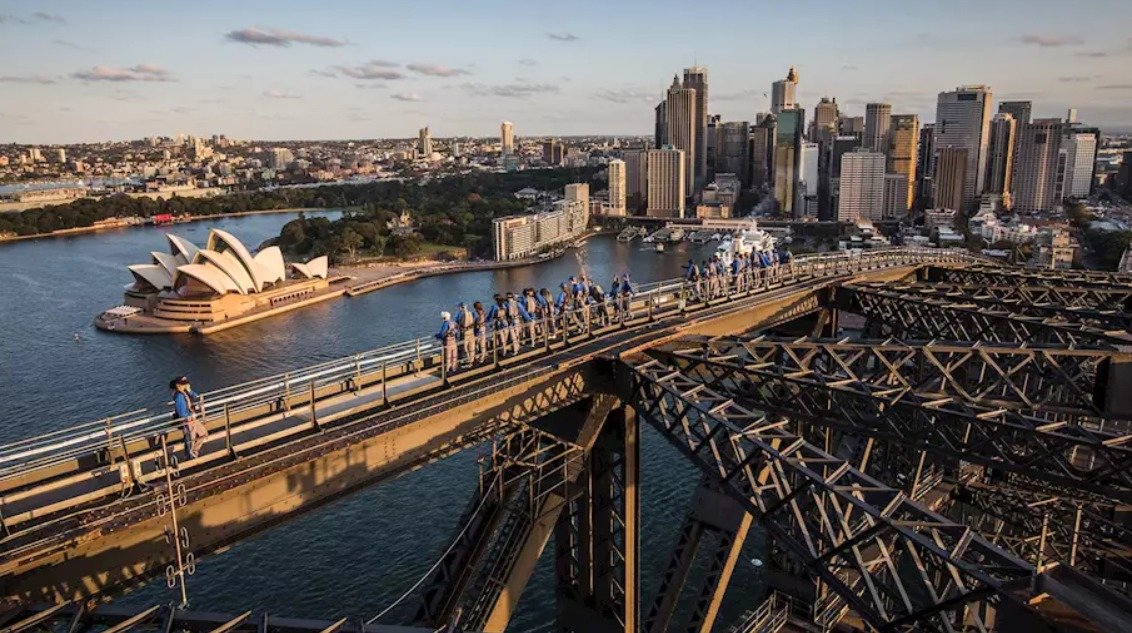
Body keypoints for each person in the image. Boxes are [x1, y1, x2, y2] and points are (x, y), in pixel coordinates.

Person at [170, 376, 208, 459]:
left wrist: (190, 390)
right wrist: (190, 415)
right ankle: (189, 457)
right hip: (188, 421)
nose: (186, 385)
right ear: (178, 385)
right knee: (191, 440)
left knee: (203, 434)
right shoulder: (179, 396)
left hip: (193, 419)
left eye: (186, 383)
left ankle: (194, 452)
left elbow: (196, 397)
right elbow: (181, 413)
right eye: (183, 384)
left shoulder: (185, 392)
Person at [456, 302, 476, 366]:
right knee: (471, 347)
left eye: (459, 307)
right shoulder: (471, 313)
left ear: (462, 307)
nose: (458, 308)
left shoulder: (462, 314)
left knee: (465, 348)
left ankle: (468, 361)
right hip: (471, 332)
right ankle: (472, 361)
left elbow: (459, 323)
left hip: (465, 333)